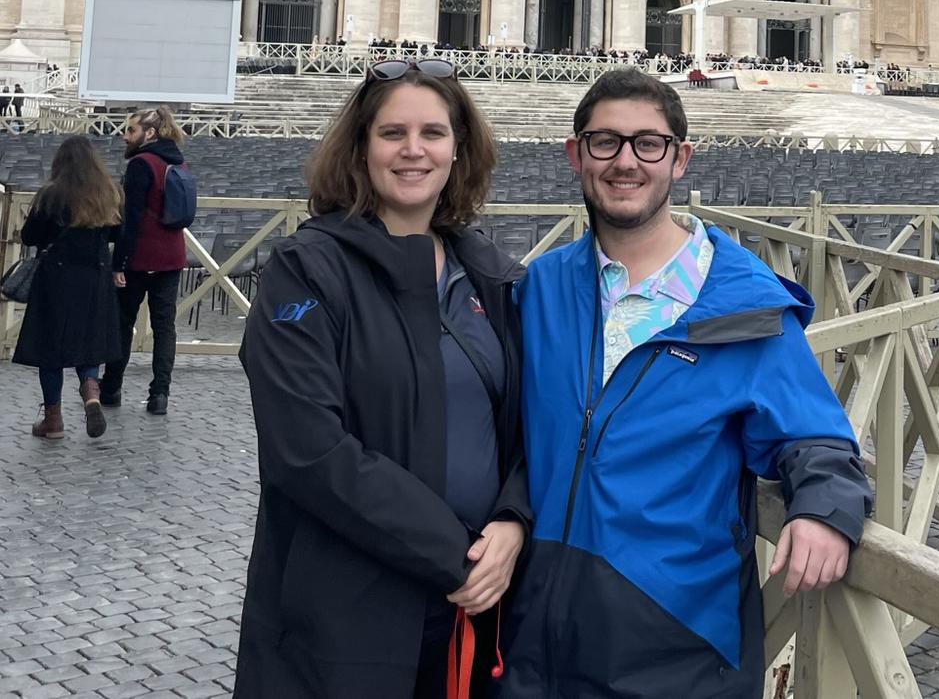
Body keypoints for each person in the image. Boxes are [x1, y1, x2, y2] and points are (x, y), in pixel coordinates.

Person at [501, 68, 870, 698]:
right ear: (575, 155)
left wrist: (825, 513)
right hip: (529, 640)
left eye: (648, 143)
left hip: (676, 645)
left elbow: (817, 439)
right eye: (605, 142)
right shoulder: (538, 288)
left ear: (680, 159)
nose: (626, 161)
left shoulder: (747, 310)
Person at [235, 59, 528, 699]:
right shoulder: (305, 269)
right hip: (348, 603)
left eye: (433, 132)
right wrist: (455, 555)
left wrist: (512, 520)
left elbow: (527, 423)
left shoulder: (491, 275)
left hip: (474, 607)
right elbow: (306, 449)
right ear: (361, 148)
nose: (414, 150)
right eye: (393, 133)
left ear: (459, 149)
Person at [12, 136, 122, 440]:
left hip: (57, 278)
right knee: (89, 342)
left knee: (51, 349)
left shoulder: (52, 194)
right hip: (95, 277)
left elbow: (31, 236)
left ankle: (53, 420)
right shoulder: (109, 192)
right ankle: (90, 391)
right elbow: (117, 233)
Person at [100, 106, 190, 415]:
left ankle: (111, 388)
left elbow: (131, 217)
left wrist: (119, 262)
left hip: (140, 255)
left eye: (131, 130)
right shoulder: (179, 161)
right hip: (172, 254)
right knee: (165, 328)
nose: (125, 136)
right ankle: (160, 394)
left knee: (123, 323)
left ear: (149, 133)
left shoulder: (142, 164)